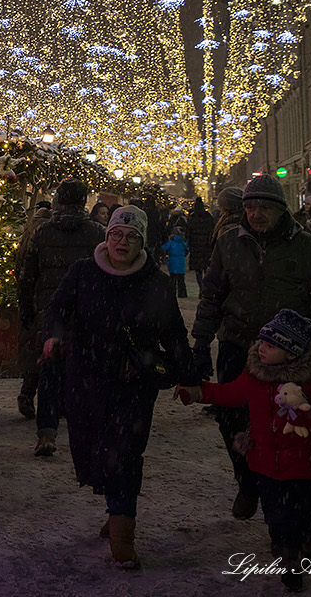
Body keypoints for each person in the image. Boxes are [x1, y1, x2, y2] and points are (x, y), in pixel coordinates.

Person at [41, 205, 197, 569]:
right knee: (93, 448)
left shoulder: (154, 281)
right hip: (86, 379)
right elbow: (56, 309)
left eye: (131, 237)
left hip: (133, 381)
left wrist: (189, 378)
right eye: (116, 235)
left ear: (142, 241)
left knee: (124, 452)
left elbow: (173, 332)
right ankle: (115, 508)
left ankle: (122, 531)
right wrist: (53, 337)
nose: (122, 242)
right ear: (106, 236)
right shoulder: (83, 272)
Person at [192, 173, 311, 522]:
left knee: (290, 420)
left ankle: (292, 490)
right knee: (231, 417)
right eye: (250, 207)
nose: (257, 214)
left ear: (280, 210)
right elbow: (212, 296)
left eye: (264, 207)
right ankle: (247, 479)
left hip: (291, 353)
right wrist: (201, 343)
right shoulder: (229, 243)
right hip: (238, 342)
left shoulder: (307, 248)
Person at [175, 309, 311, 593]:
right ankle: (290, 563)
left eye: (270, 345)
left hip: (307, 468)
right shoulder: (255, 376)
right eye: (260, 342)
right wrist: (198, 393)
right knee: (279, 521)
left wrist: (307, 416)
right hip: (266, 467)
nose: (260, 348)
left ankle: (307, 545)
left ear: (291, 354)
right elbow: (229, 394)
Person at [16, 179, 104, 456]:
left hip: (50, 311)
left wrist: (28, 309)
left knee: (50, 372)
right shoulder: (98, 234)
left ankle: (46, 434)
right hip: (87, 311)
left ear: (58, 201)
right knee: (88, 372)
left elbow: (26, 276)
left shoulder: (41, 233)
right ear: (83, 201)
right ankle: (90, 435)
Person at [185, 197, 216, 293]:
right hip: (206, 246)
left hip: (195, 247)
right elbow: (212, 230)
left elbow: (188, 233)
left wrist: (190, 244)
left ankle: (201, 287)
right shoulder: (208, 217)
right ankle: (205, 288)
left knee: (198, 270)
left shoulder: (192, 218)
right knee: (206, 268)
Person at [162, 226, 189, 298]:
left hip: (173, 261)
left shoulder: (171, 242)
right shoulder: (183, 242)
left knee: (172, 279)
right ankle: (182, 293)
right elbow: (187, 250)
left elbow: (164, 248)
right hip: (181, 262)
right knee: (181, 279)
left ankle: (171, 292)